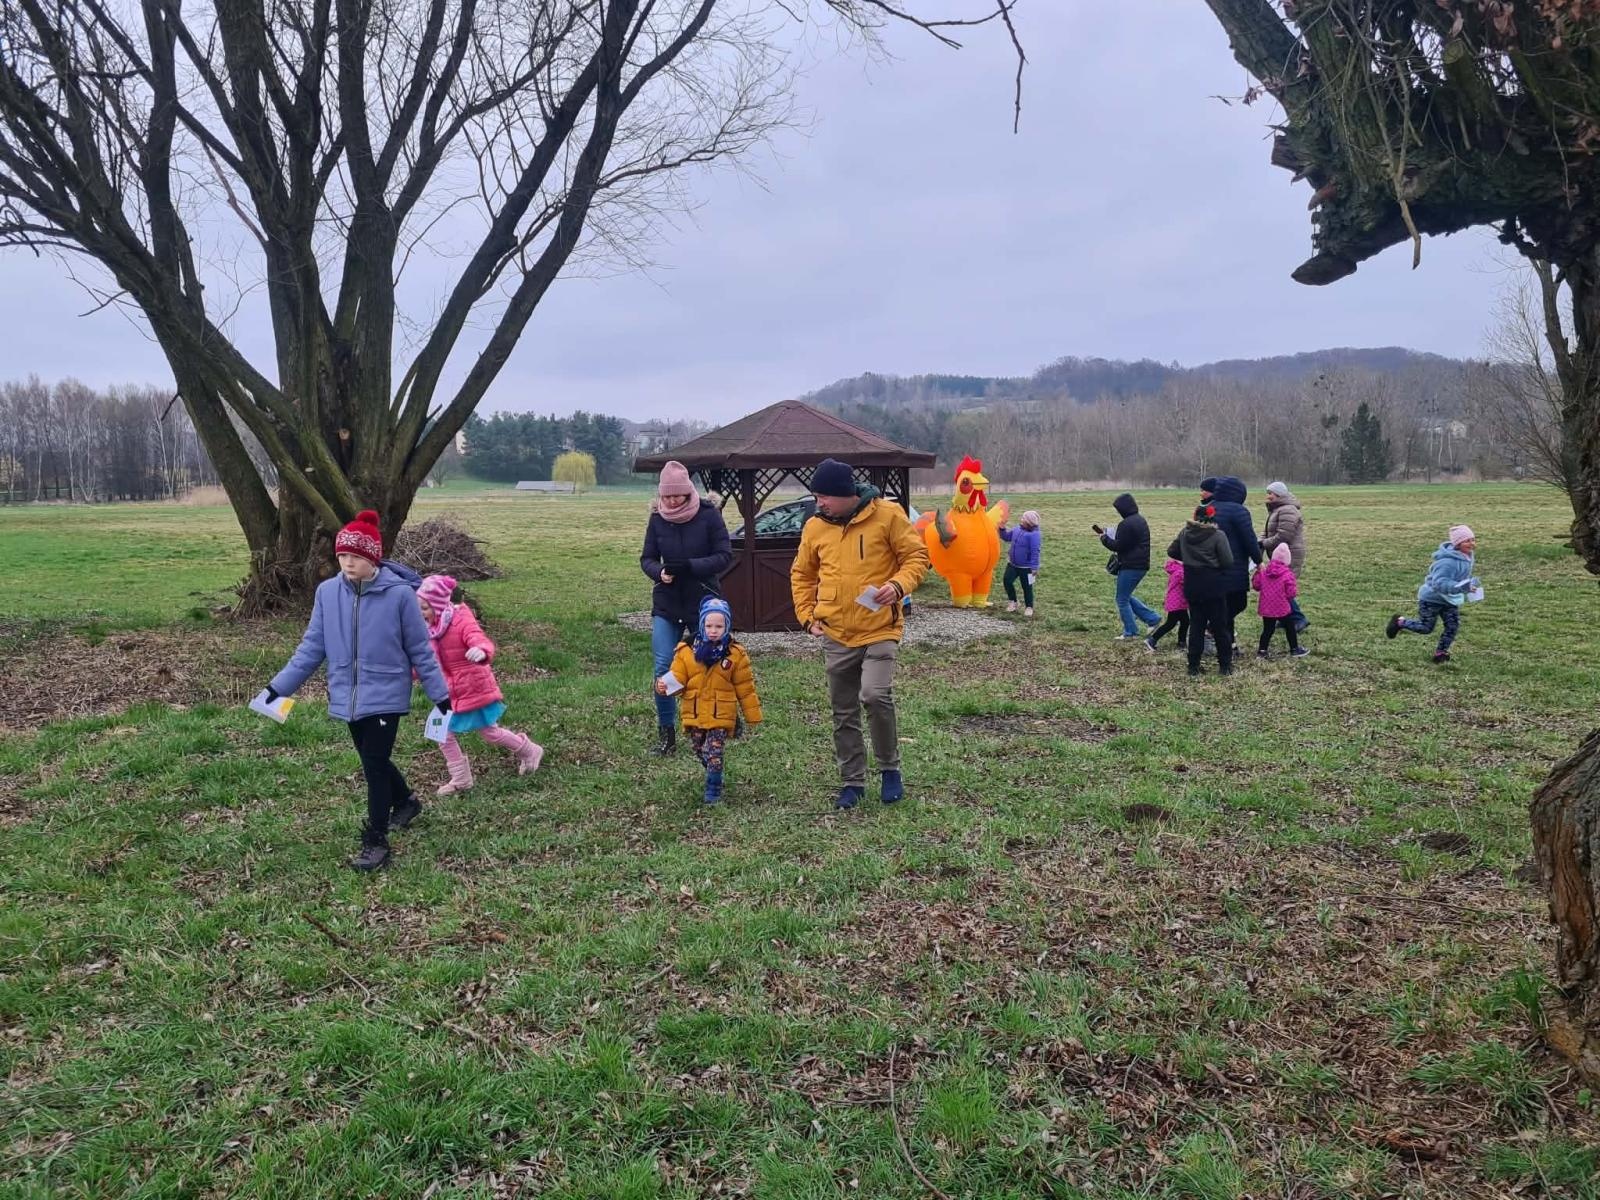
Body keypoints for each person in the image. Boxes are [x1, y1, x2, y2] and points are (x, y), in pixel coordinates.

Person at [265, 509, 451, 871]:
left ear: (373, 559)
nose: (348, 563)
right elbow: (311, 648)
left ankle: (376, 841)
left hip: (385, 694)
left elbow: (420, 650)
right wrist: (278, 688)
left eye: (356, 557)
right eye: (342, 556)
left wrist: (440, 696)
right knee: (373, 760)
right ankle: (408, 802)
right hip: (345, 696)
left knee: (375, 767)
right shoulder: (327, 593)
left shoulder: (400, 597)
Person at [790, 457, 930, 809]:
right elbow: (802, 575)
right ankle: (852, 782)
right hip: (836, 631)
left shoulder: (888, 516)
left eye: (824, 496)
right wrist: (807, 616)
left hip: (880, 626)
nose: (818, 502)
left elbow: (917, 557)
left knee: (874, 695)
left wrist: (897, 586)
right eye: (816, 496)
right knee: (843, 710)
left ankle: (889, 769)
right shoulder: (814, 527)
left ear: (845, 493)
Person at [417, 574, 543, 796]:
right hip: (449, 691)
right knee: (439, 731)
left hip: (473, 687)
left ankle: (530, 750)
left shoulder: (460, 620)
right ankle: (461, 779)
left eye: (424, 608)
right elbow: (424, 661)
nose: (420, 613)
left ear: (437, 605)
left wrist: (481, 651)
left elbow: (478, 638)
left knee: (490, 733)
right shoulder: (430, 630)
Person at [640, 460, 732, 756]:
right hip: (668, 602)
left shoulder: (708, 515)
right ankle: (666, 735)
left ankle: (721, 720)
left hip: (703, 603)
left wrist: (691, 567)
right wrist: (660, 572)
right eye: (666, 497)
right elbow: (647, 558)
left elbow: (723, 556)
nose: (671, 501)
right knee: (663, 666)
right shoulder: (657, 519)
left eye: (676, 496)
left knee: (713, 664)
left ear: (688, 492)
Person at [656, 597, 762, 805]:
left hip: (721, 713)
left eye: (719, 626)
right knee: (698, 748)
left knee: (714, 751)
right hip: (694, 712)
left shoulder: (735, 654)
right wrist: (664, 686)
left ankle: (713, 789)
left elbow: (745, 687)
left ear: (727, 627)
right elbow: (678, 679)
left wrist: (752, 715)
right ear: (702, 625)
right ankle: (715, 773)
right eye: (709, 625)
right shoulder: (685, 652)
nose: (714, 630)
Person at [1386, 525, 1480, 663]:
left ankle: (1440, 653)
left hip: (1449, 600)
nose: (1471, 543)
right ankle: (1400, 622)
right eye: (1467, 541)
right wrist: (1460, 587)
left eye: (1473, 539)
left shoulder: (1467, 557)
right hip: (1431, 599)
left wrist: (1468, 585)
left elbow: (1459, 578)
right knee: (1426, 628)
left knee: (1452, 626)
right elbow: (1439, 583)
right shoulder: (1447, 562)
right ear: (1457, 544)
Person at [1169, 503, 1236, 677]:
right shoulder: (1218, 535)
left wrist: (1189, 556)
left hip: (1193, 585)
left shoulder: (1185, 533)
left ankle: (1193, 666)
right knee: (1220, 627)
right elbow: (1228, 561)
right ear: (1212, 517)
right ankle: (1225, 666)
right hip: (1214, 586)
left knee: (1196, 626)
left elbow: (1172, 551)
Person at [1199, 476, 1261, 654]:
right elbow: (1249, 539)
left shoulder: (1208, 509)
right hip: (1233, 566)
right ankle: (1211, 629)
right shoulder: (1239, 511)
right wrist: (1258, 560)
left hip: (1208, 566)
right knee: (1238, 603)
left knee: (1223, 604)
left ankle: (1229, 646)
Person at [1096, 493, 1160, 639]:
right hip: (1140, 564)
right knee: (1125, 595)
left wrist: (1104, 538)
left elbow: (1118, 546)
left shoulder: (1126, 524)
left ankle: (1131, 631)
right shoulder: (1140, 520)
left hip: (1131, 565)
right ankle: (1152, 618)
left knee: (1121, 599)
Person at [1261, 481, 1308, 632]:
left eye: (1271, 493)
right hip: (1280, 553)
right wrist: (1260, 540)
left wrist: (1263, 544)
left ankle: (1299, 619)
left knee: (1282, 586)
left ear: (1279, 494)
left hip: (1290, 554)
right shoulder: (1277, 510)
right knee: (1280, 586)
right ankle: (1285, 617)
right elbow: (1268, 531)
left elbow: (1283, 536)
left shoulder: (1288, 510)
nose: (1268, 496)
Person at [1253, 544, 1307, 658]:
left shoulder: (1264, 572)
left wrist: (1257, 573)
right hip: (1283, 608)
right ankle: (1294, 649)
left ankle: (1262, 651)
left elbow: (1256, 586)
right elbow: (1291, 593)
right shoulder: (1288, 575)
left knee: (1267, 630)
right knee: (1290, 628)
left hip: (1266, 608)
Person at [999, 509, 1042, 616]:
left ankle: (1029, 607)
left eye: (1023, 518)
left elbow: (1035, 551)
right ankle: (1013, 602)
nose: (1021, 519)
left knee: (1027, 587)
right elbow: (1007, 537)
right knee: (1007, 581)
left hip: (1026, 568)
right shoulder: (1017, 529)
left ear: (1029, 522)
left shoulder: (1034, 535)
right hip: (1012, 564)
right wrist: (1002, 528)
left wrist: (1034, 567)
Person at [1145, 551, 1189, 652]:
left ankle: (1181, 642)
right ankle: (1152, 639)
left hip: (1177, 601)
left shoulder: (1176, 569)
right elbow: (1189, 584)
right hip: (1177, 602)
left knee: (1185, 621)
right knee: (1171, 623)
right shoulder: (1181, 572)